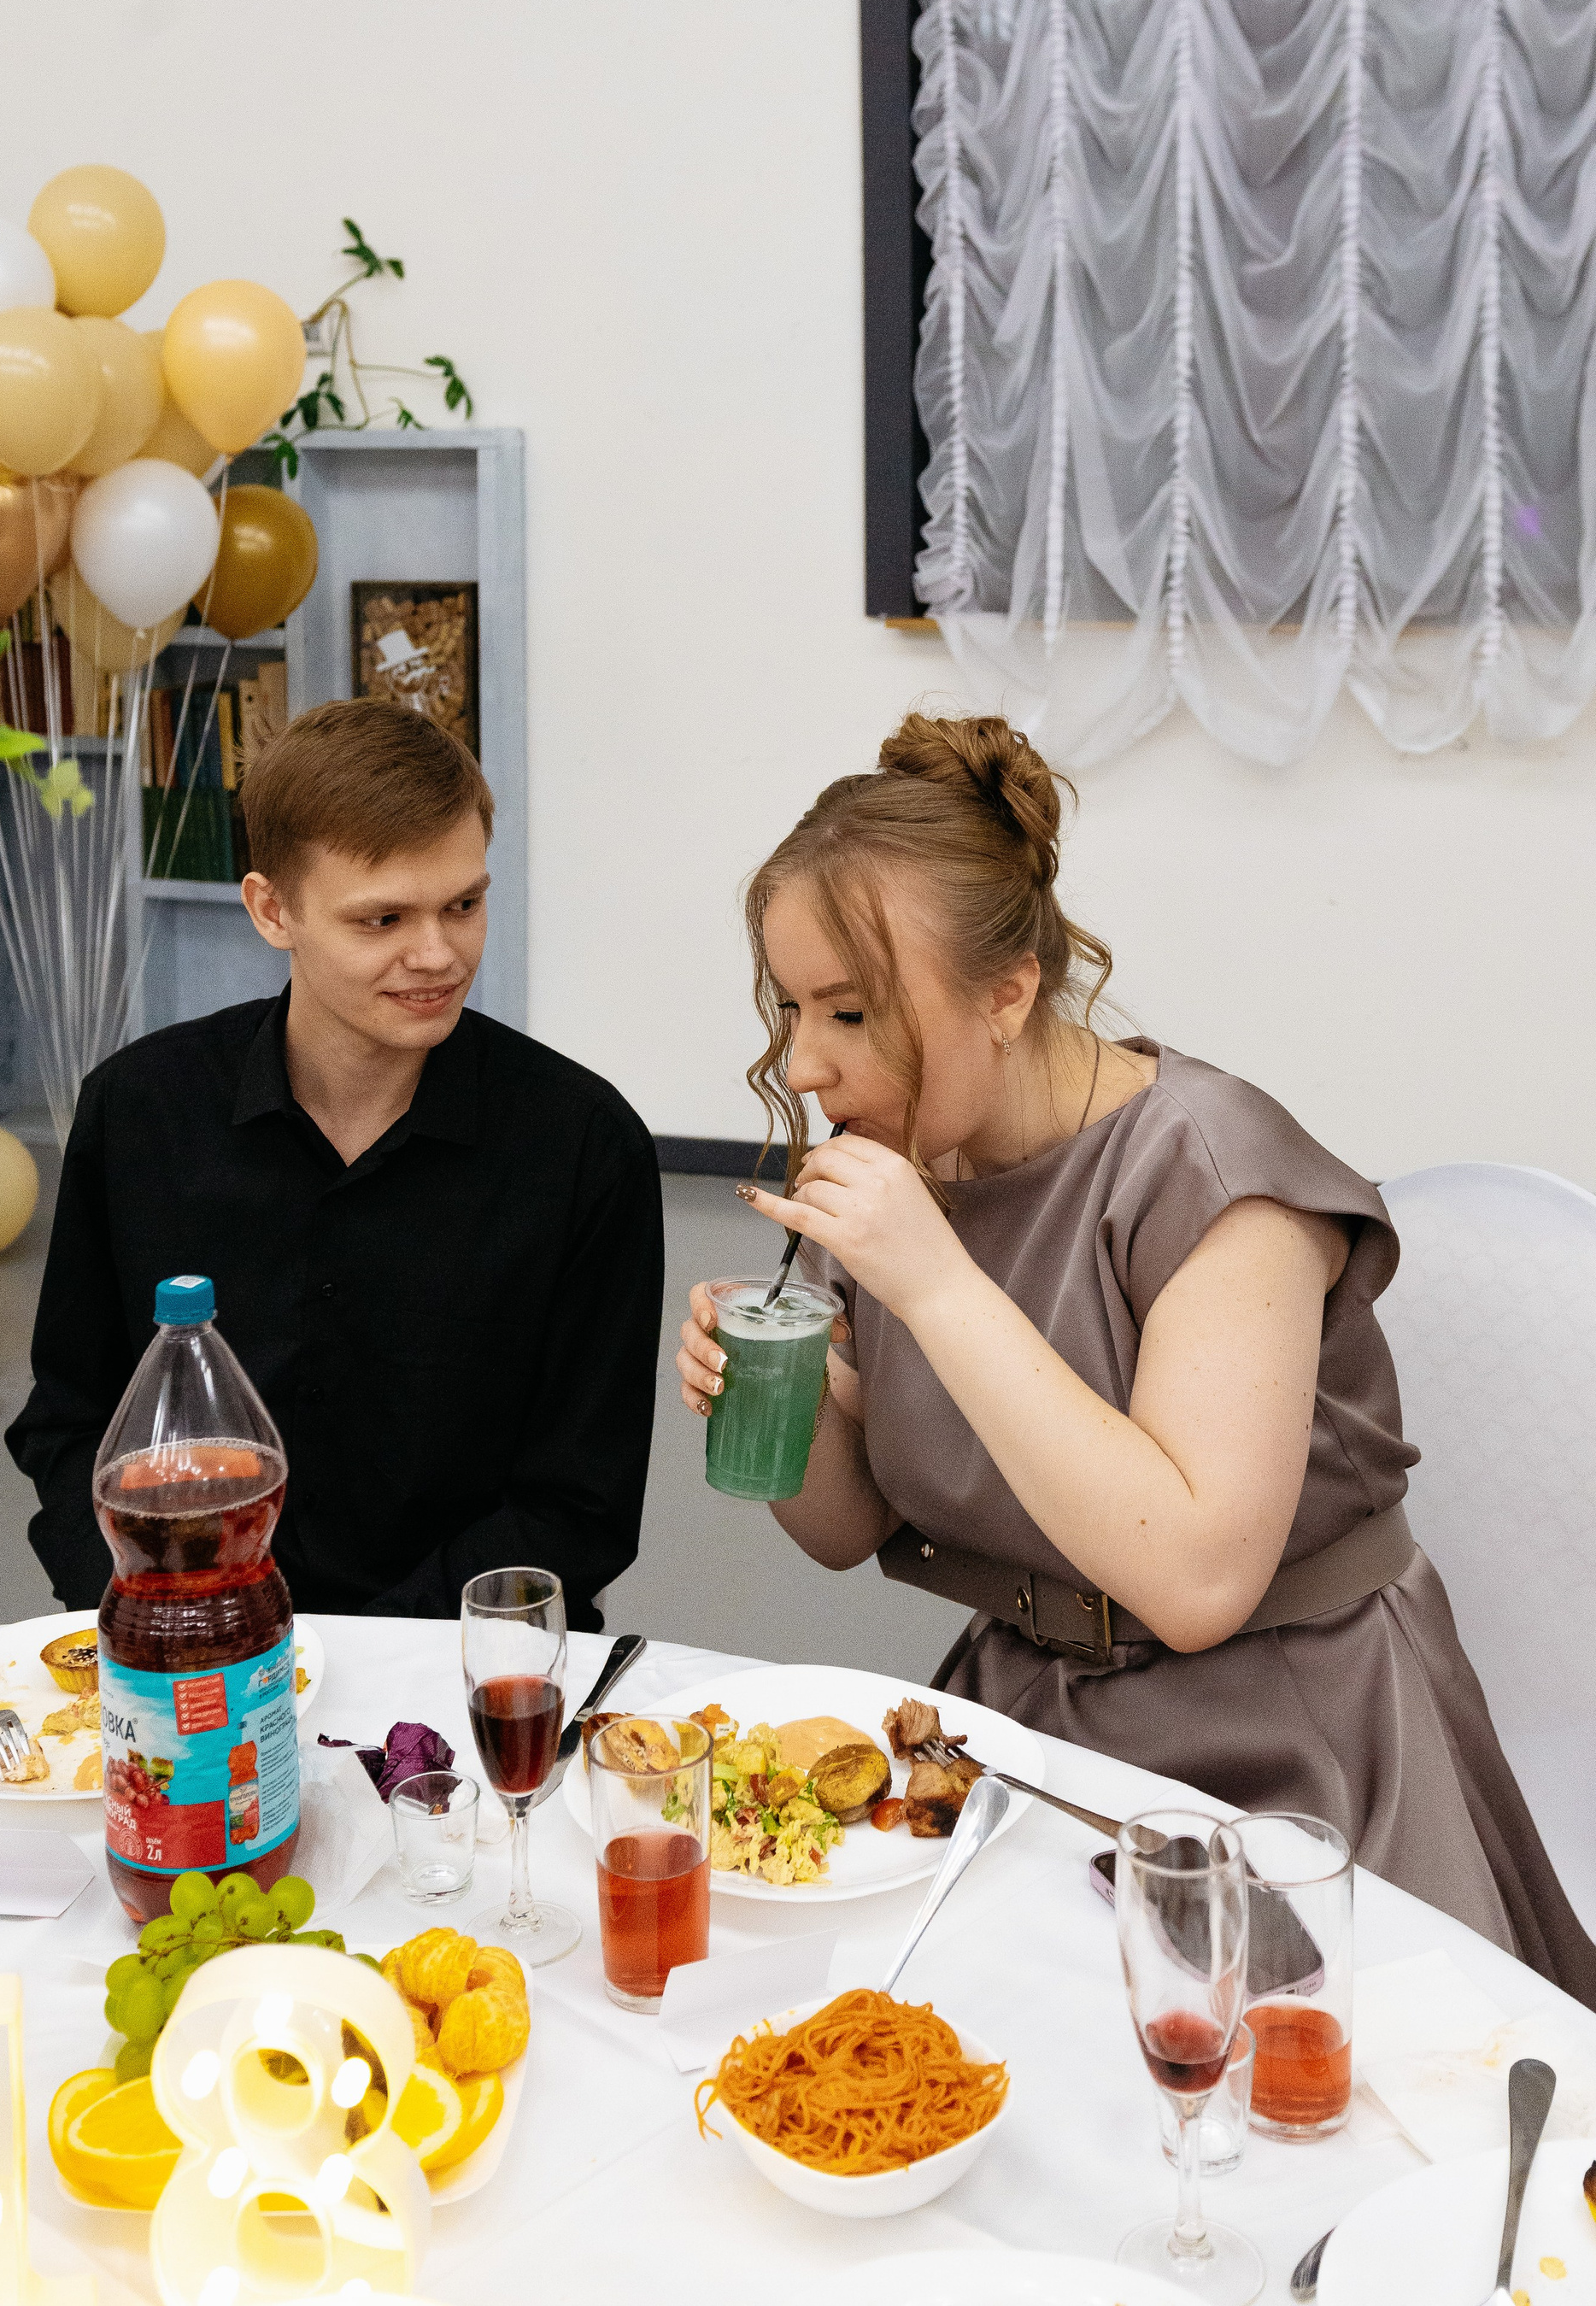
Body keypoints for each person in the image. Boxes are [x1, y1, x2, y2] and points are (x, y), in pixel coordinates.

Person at [677, 709, 1596, 2003]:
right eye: (791, 1006)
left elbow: (1196, 1576)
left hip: (1293, 1752)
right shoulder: (907, 1160)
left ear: (1008, 993)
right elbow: (848, 1527)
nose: (808, 1063)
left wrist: (936, 1284)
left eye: (855, 1011)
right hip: (1032, 1735)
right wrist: (786, 1400)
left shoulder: (1214, 1174)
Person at [14, 697, 663, 1627]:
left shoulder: (586, 1147)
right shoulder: (137, 1112)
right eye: (382, 918)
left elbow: (578, 1505)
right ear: (272, 909)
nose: (437, 954)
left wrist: (353, 1657)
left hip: (458, 1662)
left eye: (464, 904)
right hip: (185, 1633)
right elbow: (74, 1423)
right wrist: (155, 1605)